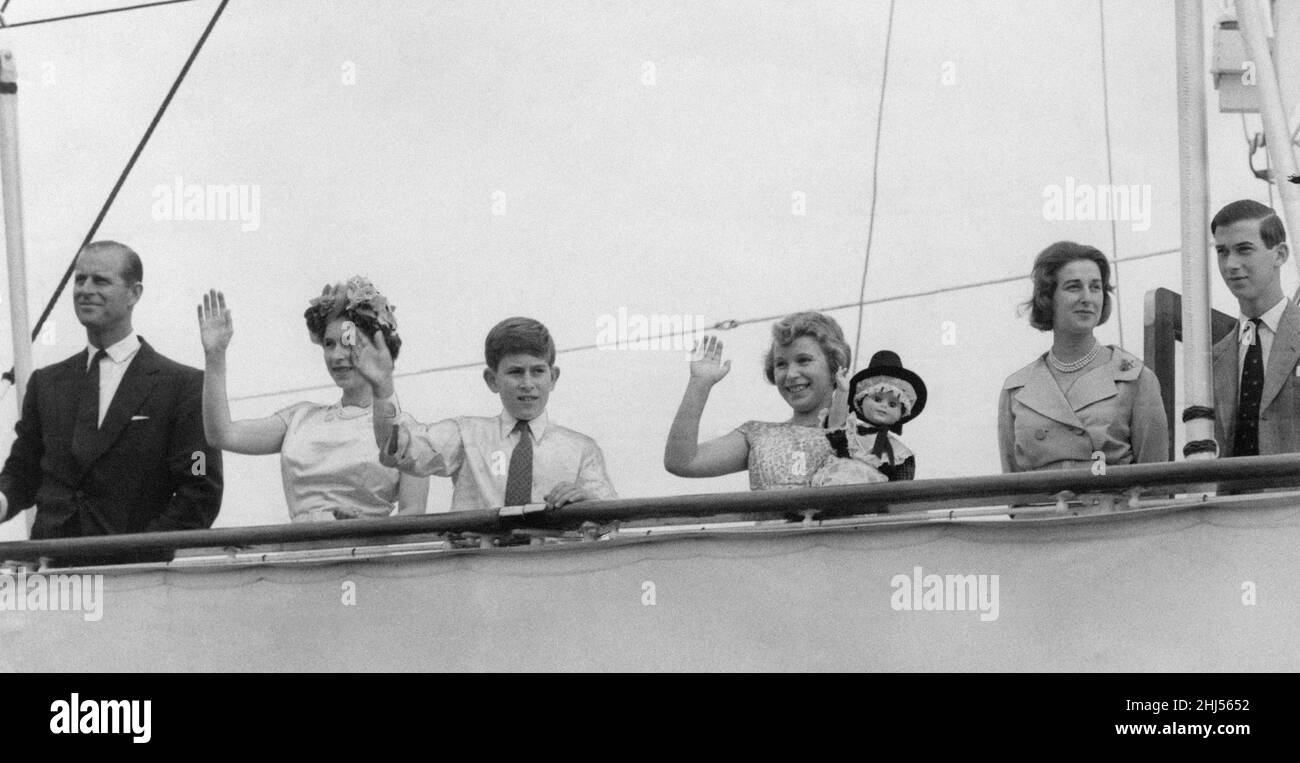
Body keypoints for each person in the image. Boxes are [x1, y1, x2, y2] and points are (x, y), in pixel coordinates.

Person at [0, 241, 223, 564]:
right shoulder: (46, 385)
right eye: (80, 280)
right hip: (53, 578)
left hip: (136, 580)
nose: (85, 289)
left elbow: (200, 485)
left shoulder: (182, 387)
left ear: (134, 293)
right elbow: (21, 473)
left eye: (100, 280)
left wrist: (141, 553)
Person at [197, 278, 428, 521]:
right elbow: (222, 435)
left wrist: (366, 527)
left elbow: (413, 514)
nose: (337, 355)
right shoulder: (300, 418)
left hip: (367, 554)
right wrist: (215, 355)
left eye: (348, 342)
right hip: (301, 552)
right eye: (329, 344)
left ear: (377, 345)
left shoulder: (409, 431)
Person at [352, 316, 616, 511]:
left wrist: (588, 503)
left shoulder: (582, 450)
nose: (527, 383)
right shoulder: (465, 435)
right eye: (515, 372)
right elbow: (400, 450)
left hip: (551, 574)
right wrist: (382, 387)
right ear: (492, 379)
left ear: (553, 377)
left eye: (537, 371)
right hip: (478, 573)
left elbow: (612, 517)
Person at [999, 241, 1169, 472]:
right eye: (1073, 287)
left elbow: (1155, 484)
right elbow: (1013, 489)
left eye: (1096, 287)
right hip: (1041, 508)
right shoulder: (1017, 390)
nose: (1087, 298)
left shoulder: (1135, 379)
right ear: (1048, 297)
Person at [664, 311, 869, 489]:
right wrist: (699, 384)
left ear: (835, 365)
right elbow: (681, 462)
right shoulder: (758, 436)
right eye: (781, 364)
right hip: (770, 535)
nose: (791, 374)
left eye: (803, 360)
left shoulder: (864, 436)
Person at [1210, 200, 1300, 458]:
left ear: (1280, 254)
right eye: (1222, 252)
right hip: (1233, 497)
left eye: (1244, 249)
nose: (1230, 265)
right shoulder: (1216, 358)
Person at [840, 350, 926, 481]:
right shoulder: (847, 434)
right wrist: (841, 393)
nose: (884, 406)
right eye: (877, 399)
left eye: (892, 404)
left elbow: (902, 492)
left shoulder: (902, 456)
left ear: (901, 413)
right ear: (861, 400)